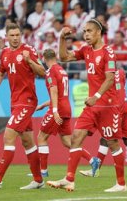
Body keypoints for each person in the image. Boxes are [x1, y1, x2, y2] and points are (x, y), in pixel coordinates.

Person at [47, 19, 127, 192]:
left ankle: (121, 184)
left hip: (107, 106)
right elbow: (64, 57)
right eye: (84, 31)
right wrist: (62, 39)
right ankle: (69, 179)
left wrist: (96, 96)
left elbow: (110, 78)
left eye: (89, 31)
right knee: (76, 137)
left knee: (113, 143)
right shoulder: (86, 50)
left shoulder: (108, 52)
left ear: (98, 32)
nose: (86, 35)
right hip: (92, 107)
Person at [0, 23, 45, 190]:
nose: (15, 38)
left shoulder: (29, 50)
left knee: (8, 136)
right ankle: (38, 180)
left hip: (27, 100)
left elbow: (43, 72)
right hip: (15, 102)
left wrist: (29, 60)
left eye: (18, 35)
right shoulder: (5, 53)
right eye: (12, 35)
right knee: (27, 142)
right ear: (6, 38)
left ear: (21, 35)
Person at [35, 49, 97, 177]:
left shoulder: (51, 71)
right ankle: (92, 160)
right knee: (68, 142)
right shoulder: (62, 71)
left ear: (44, 59)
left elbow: (54, 91)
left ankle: (43, 172)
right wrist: (43, 105)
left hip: (57, 109)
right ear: (56, 57)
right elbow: (62, 94)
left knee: (41, 138)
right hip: (66, 108)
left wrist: (54, 111)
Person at [79, 68, 127, 178]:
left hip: (116, 108)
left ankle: (96, 170)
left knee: (108, 139)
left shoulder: (107, 76)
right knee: (126, 139)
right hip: (125, 106)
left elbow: (108, 89)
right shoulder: (121, 72)